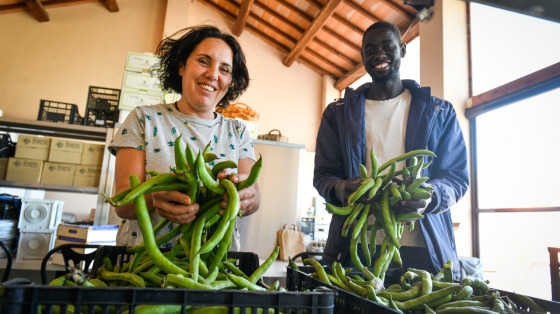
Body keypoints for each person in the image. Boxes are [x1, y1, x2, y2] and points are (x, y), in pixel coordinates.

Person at [313, 21, 469, 280]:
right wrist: (341, 189)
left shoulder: (439, 112)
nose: (378, 54)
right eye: (370, 49)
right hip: (358, 247)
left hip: (423, 248)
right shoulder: (338, 114)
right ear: (362, 56)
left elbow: (456, 178)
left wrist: (430, 197)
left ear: (403, 50)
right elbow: (323, 175)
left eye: (387, 46)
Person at [109, 25, 261, 251]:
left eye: (225, 69)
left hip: (213, 268)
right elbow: (122, 201)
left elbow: (253, 195)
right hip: (144, 264)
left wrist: (248, 199)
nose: (213, 74)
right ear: (181, 66)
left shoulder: (237, 131)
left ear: (230, 81)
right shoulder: (143, 119)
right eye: (203, 61)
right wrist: (153, 199)